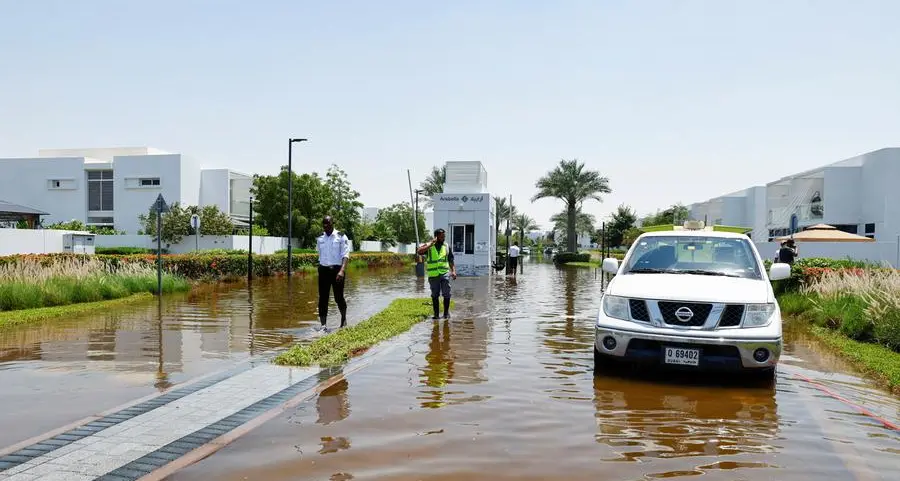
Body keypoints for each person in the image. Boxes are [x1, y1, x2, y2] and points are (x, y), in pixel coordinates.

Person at [316, 215, 350, 331]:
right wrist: (320, 267)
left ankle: (343, 319)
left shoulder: (341, 236)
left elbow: (345, 255)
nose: (326, 226)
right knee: (323, 298)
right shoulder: (320, 238)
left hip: (337, 271)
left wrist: (342, 271)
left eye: (328, 224)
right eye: (324, 224)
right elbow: (320, 254)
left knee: (338, 297)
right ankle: (323, 326)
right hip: (323, 270)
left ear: (332, 224)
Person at [417, 228, 457, 320]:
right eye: (441, 236)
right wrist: (431, 243)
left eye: (444, 236)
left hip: (445, 273)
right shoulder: (429, 245)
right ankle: (436, 315)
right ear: (436, 236)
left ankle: (446, 314)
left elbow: (450, 260)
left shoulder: (446, 246)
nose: (443, 237)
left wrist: (453, 271)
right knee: (435, 295)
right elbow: (419, 251)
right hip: (433, 275)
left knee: (446, 293)